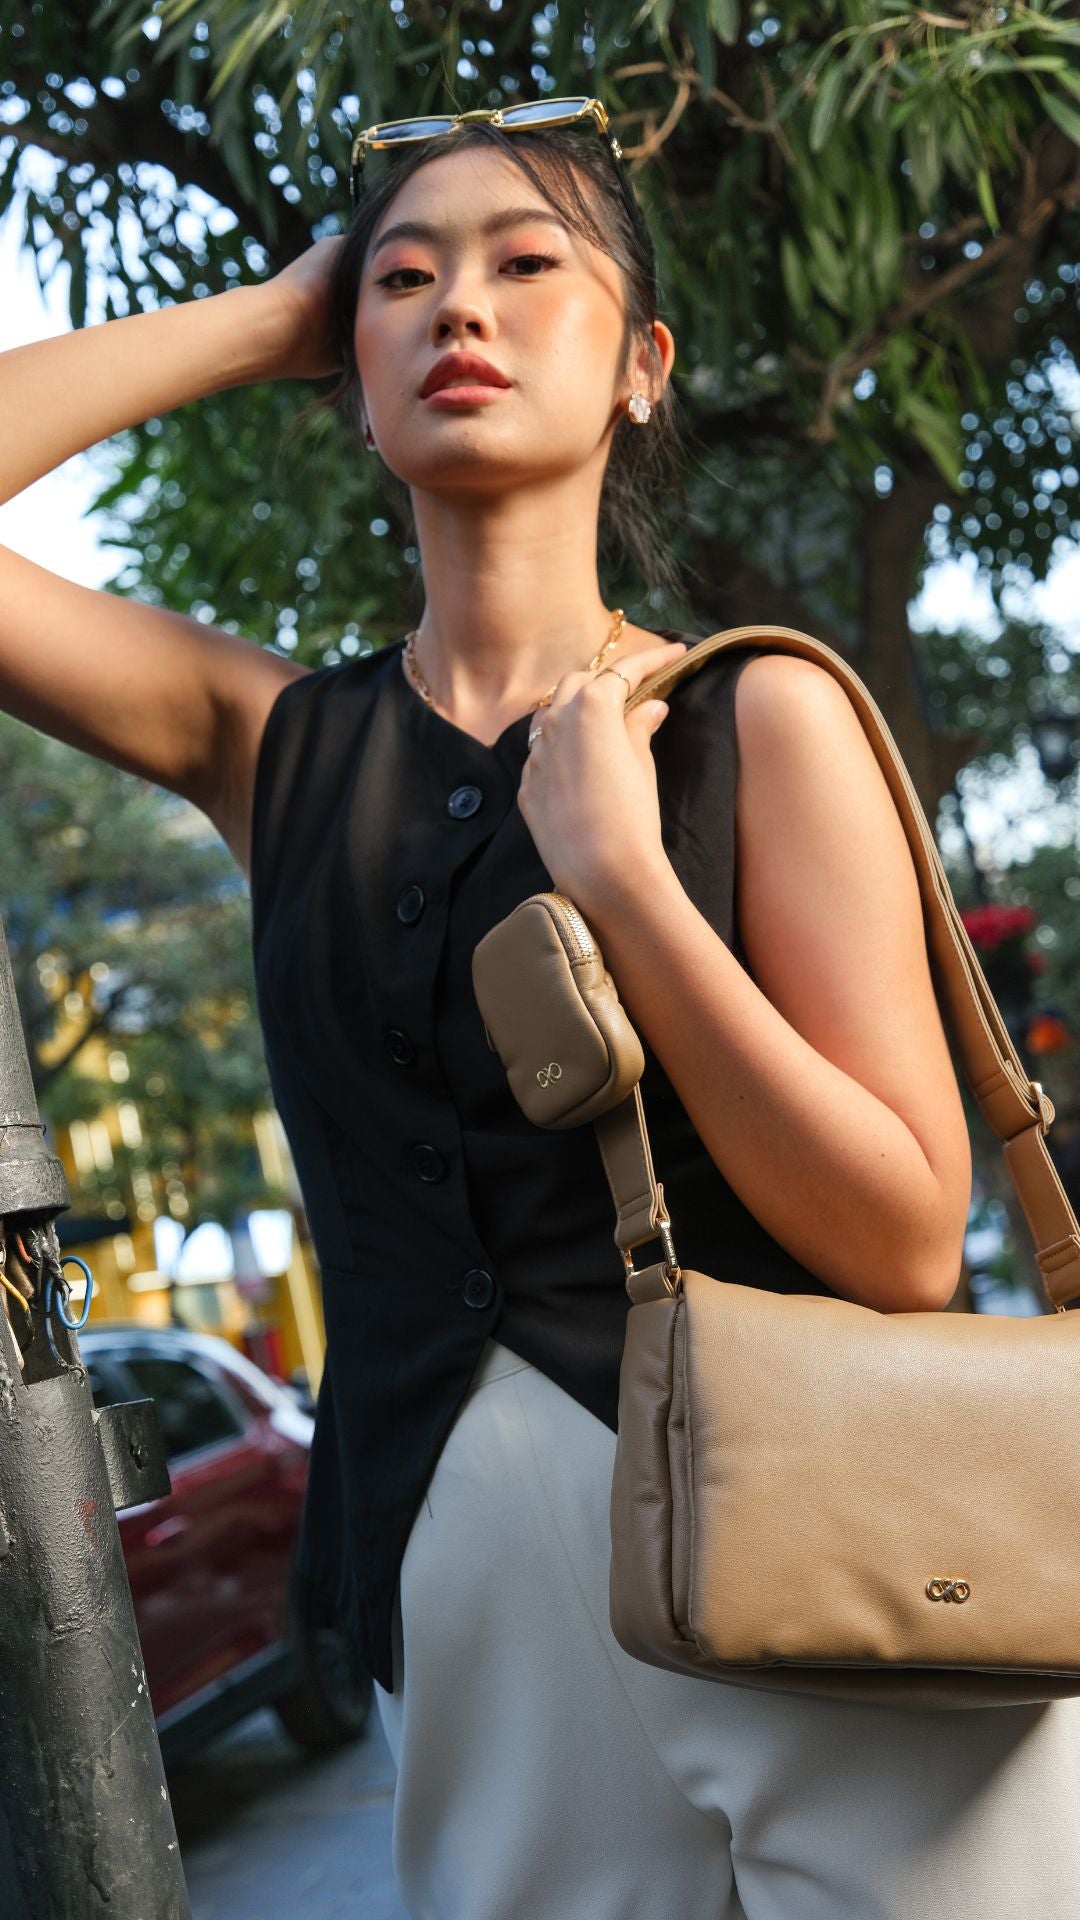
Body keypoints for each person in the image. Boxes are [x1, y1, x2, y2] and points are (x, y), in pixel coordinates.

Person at [2, 97, 1079, 1920]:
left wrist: (630, 883)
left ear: (644, 366)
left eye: (527, 266)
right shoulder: (277, 747)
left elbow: (904, 1237)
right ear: (351, 383)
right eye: (406, 281)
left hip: (837, 1556)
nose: (461, 309)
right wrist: (279, 309)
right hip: (464, 1571)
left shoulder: (762, 718)